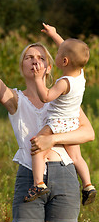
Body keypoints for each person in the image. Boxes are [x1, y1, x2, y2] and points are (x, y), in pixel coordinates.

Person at [0, 28, 95, 222]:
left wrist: (52, 139)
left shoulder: (64, 98)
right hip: (30, 178)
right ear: (22, 66)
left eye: (40, 57)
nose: (34, 60)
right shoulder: (16, 100)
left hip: (65, 175)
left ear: (49, 67)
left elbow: (88, 134)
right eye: (29, 57)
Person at [24, 23, 97, 205]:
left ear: (64, 61)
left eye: (57, 54)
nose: (55, 55)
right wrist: (54, 35)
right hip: (73, 123)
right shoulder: (79, 74)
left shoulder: (63, 83)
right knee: (76, 157)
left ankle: (38, 184)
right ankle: (88, 185)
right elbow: (69, 49)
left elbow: (46, 96)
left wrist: (39, 78)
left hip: (57, 123)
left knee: (38, 148)